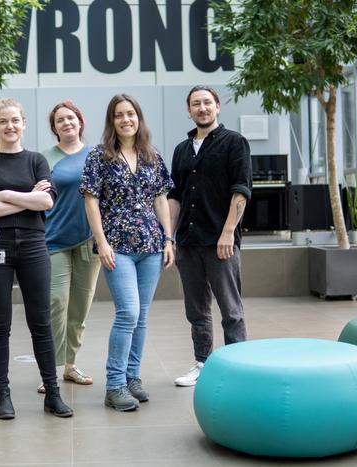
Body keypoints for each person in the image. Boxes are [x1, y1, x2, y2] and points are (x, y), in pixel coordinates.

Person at [0, 98, 73, 419]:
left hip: (33, 247)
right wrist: (28, 199)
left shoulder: (36, 160)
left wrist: (5, 195)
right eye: (3, 121)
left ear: (24, 123)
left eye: (15, 120)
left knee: (41, 323)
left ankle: (52, 394)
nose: (10, 126)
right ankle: (4, 395)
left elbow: (47, 202)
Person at [80, 94, 174, 412]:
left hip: (150, 244)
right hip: (116, 245)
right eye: (119, 115)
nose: (126, 119)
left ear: (139, 118)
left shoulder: (151, 155)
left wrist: (169, 238)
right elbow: (90, 200)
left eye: (130, 114)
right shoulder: (100, 156)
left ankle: (133, 377)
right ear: (112, 121)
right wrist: (102, 242)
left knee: (142, 316)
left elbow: (160, 199)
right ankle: (115, 384)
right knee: (128, 313)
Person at [168, 85, 252, 387]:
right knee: (196, 310)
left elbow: (241, 190)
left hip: (221, 242)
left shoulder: (234, 143)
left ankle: (239, 368)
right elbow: (174, 196)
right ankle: (202, 363)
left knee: (231, 309)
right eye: (195, 104)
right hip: (188, 243)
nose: (201, 108)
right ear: (188, 110)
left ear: (217, 106)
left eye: (207, 103)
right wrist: (169, 237)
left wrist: (228, 231)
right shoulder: (182, 149)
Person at [36, 101, 101, 394]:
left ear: (80, 121)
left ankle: (70, 365)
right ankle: (49, 369)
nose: (66, 123)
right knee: (56, 302)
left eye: (71, 118)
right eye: (60, 120)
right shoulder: (44, 159)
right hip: (54, 241)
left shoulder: (98, 155)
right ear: (54, 128)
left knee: (80, 306)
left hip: (90, 241)